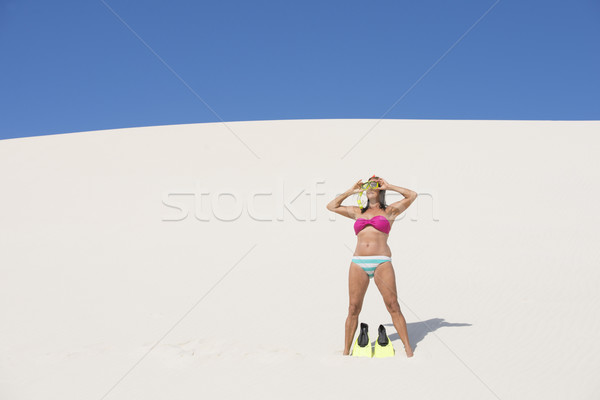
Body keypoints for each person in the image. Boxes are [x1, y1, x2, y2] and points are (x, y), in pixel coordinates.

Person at [326, 175, 418, 357]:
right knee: (353, 308)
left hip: (381, 261)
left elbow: (412, 195)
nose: (371, 187)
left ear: (380, 190)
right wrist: (351, 191)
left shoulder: (390, 211)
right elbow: (331, 206)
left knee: (392, 305)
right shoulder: (357, 211)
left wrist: (389, 186)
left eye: (375, 185)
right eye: (368, 185)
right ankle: (346, 351)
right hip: (358, 262)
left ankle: (409, 350)